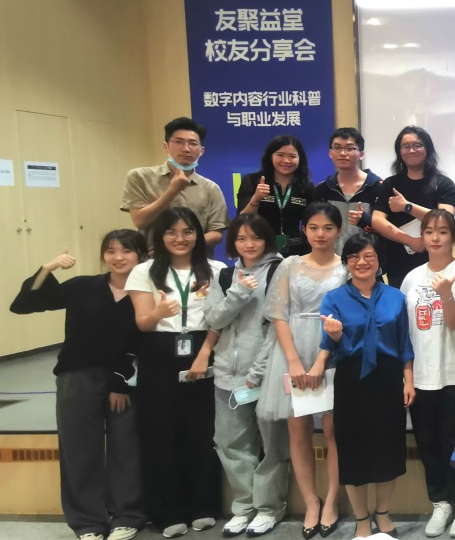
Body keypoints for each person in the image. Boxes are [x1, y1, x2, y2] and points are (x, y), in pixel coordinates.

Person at [10, 230, 149, 540]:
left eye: (126, 251)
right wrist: (49, 267)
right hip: (77, 377)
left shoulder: (147, 291)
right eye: (110, 251)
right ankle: (87, 522)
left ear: (140, 255)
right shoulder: (83, 286)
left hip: (125, 378)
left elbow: (145, 340)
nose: (118, 257)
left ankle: (127, 515)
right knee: (78, 448)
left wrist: (122, 382)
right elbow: (24, 304)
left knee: (126, 447)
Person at [125, 208, 226, 538]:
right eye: (171, 232)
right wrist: (157, 312)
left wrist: (205, 352)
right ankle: (166, 512)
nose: (180, 238)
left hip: (203, 347)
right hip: (159, 351)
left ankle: (204, 506)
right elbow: (142, 323)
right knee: (160, 432)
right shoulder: (143, 271)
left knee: (202, 430)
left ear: (198, 234)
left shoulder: (216, 270)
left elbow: (222, 319)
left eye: (187, 231)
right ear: (160, 236)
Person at [258, 203, 349, 539]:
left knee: (334, 431)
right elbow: (277, 315)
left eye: (328, 228)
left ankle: (332, 501)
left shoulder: (347, 267)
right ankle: (311, 502)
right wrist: (294, 360)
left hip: (334, 350)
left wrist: (322, 358)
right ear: (304, 230)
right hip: (292, 350)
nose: (320, 234)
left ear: (339, 231)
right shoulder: (289, 264)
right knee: (298, 432)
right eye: (313, 227)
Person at [317, 233, 415, 539]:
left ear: (379, 260)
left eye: (369, 256)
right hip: (351, 379)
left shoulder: (395, 297)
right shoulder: (334, 298)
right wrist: (334, 335)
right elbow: (329, 345)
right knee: (353, 450)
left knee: (388, 448)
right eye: (354, 257)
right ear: (347, 262)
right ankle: (361, 519)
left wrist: (408, 380)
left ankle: (382, 513)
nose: (361, 262)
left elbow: (404, 343)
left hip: (388, 379)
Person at [201, 214, 289, 537]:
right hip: (227, 373)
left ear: (267, 239)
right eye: (241, 238)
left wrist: (259, 370)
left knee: (272, 443)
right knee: (229, 442)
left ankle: (269, 507)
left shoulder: (280, 270)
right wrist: (237, 292)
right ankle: (244, 506)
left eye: (255, 237)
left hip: (266, 372)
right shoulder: (225, 275)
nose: (249, 244)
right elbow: (214, 319)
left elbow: (278, 325)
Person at [398, 210, 455, 539]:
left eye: (443, 231)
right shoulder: (411, 277)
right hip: (421, 374)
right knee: (428, 442)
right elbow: (404, 331)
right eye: (429, 231)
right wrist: (406, 375)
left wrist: (445, 291)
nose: (435, 238)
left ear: (454, 237)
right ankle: (440, 501)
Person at [363, 126, 455, 286]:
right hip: (398, 263)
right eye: (406, 146)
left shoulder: (443, 183)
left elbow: (446, 219)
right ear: (399, 151)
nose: (412, 150)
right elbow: (377, 220)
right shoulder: (390, 184)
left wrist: (407, 206)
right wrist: (412, 241)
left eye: (417, 145)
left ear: (427, 149)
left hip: (436, 260)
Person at [121, 117, 228, 249]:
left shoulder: (211, 188)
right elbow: (140, 221)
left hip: (195, 259)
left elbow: (216, 233)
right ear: (166, 146)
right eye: (179, 142)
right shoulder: (140, 176)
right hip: (152, 258)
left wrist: (182, 246)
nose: (186, 149)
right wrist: (173, 190)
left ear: (201, 151)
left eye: (193, 143)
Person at [236, 135, 316, 257]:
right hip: (261, 250)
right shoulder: (253, 181)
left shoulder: (307, 187)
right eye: (280, 155)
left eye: (292, 156)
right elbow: (242, 220)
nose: (286, 161)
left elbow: (313, 223)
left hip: (297, 251)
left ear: (300, 159)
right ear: (270, 156)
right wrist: (256, 198)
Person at [312, 127, 384, 254]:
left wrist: (367, 221)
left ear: (361, 154)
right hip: (330, 260)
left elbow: (389, 229)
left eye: (349, 148)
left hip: (367, 260)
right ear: (330, 153)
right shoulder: (323, 189)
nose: (342, 153)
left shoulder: (378, 187)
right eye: (337, 148)